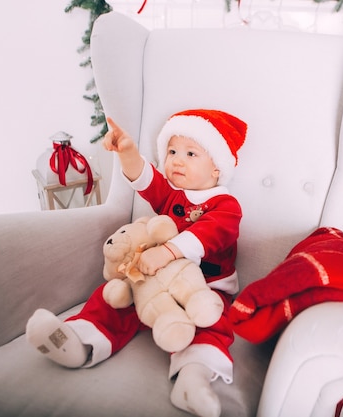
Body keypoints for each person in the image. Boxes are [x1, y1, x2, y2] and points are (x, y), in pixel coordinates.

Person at [26, 109, 247, 417]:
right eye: (171, 151)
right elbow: (147, 180)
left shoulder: (226, 205)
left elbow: (212, 233)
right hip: (152, 280)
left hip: (203, 287)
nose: (177, 160)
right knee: (112, 299)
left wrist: (169, 251)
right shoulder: (172, 194)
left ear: (216, 169)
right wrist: (128, 152)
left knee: (209, 320)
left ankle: (193, 378)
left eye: (190, 153)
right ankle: (79, 341)